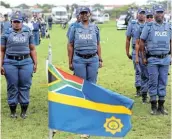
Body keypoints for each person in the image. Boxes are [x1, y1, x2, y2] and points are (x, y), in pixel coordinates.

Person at [68, 7, 103, 138]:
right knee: (81, 85)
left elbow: (98, 44)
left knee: (92, 85)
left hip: (93, 59)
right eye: (81, 13)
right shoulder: (74, 28)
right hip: (79, 59)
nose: (84, 15)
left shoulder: (95, 28)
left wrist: (100, 58)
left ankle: (92, 110)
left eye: (85, 13)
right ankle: (81, 111)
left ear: (89, 14)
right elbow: (70, 44)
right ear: (79, 15)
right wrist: (70, 61)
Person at [1, 12, 37, 119]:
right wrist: (0, 64)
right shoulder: (6, 33)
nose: (16, 24)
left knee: (25, 85)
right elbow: (1, 50)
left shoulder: (28, 32)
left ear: (22, 22)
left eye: (18, 22)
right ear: (11, 22)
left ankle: (23, 111)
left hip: (26, 62)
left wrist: (35, 63)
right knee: (12, 86)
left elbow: (32, 49)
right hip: (10, 63)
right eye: (14, 22)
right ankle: (13, 111)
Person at [140, 5, 171, 115]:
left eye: (161, 12)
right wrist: (143, 57)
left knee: (163, 81)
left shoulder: (168, 26)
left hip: (165, 59)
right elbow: (142, 42)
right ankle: (153, 106)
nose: (159, 14)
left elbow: (171, 41)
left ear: (164, 14)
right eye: (157, 12)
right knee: (153, 82)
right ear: (154, 14)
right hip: (152, 59)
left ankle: (161, 106)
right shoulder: (148, 27)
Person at [125, 7, 146, 97]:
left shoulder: (149, 24)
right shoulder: (132, 24)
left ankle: (145, 89)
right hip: (135, 50)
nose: (142, 15)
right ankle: (138, 89)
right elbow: (128, 39)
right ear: (137, 14)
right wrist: (127, 52)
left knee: (146, 71)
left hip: (146, 51)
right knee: (138, 70)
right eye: (140, 13)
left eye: (143, 13)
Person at [135, 9, 154, 103]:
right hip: (143, 55)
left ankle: (152, 96)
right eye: (148, 17)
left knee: (153, 77)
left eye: (151, 16)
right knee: (144, 76)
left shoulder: (156, 28)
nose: (150, 18)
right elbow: (137, 43)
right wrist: (137, 57)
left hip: (153, 56)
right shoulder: (141, 28)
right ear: (145, 18)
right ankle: (144, 96)